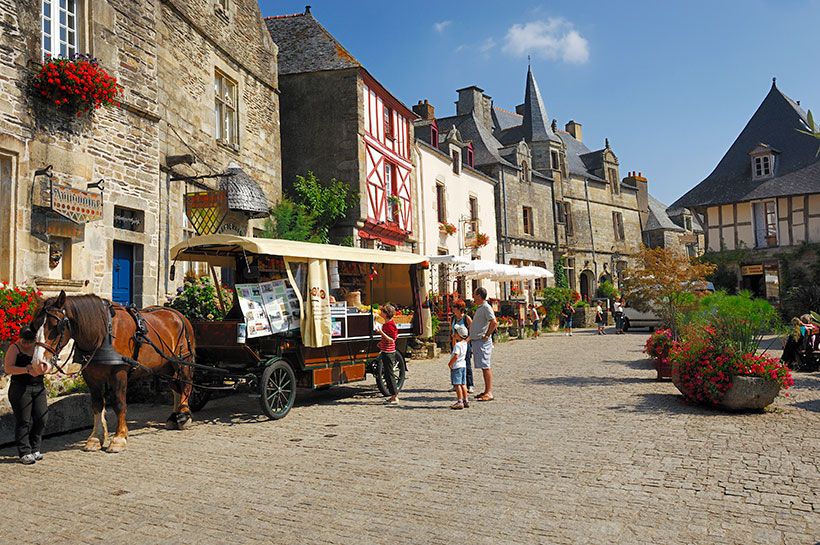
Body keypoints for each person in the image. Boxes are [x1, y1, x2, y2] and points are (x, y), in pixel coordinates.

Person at [4, 328, 50, 464]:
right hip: (20, 388)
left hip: (38, 387)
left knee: (42, 418)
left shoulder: (39, 348)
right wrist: (27, 369)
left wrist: (44, 369)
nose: (26, 344)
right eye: (23, 341)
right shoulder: (15, 348)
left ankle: (35, 448)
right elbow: (8, 368)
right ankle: (24, 452)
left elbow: (49, 363)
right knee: (24, 421)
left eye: (29, 342)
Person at [469, 287, 497, 402]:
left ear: (479, 295)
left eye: (474, 294)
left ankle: (489, 392)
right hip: (478, 341)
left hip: (482, 341)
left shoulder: (486, 307)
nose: (473, 296)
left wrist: (487, 335)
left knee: (486, 366)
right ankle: (486, 391)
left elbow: (494, 322)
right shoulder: (481, 307)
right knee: (483, 366)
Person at [376, 304, 399, 404]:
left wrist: (381, 332)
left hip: (389, 352)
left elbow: (392, 339)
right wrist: (381, 343)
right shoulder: (386, 324)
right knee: (387, 374)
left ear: (386, 314)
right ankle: (392, 396)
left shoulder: (390, 325)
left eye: (383, 312)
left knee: (389, 374)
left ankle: (395, 396)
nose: (381, 313)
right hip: (385, 350)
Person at [450, 300, 474, 393]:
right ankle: (455, 384)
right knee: (454, 363)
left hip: (464, 344)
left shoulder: (466, 318)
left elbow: (472, 332)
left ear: (460, 309)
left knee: (466, 364)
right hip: (455, 344)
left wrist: (465, 342)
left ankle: (470, 384)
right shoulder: (453, 318)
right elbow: (451, 331)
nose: (453, 309)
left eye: (454, 307)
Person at [448, 324, 470, 410]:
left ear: (459, 335)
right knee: (463, 384)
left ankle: (460, 401)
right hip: (463, 366)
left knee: (457, 385)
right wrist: (454, 338)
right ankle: (466, 400)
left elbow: (456, 356)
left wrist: (450, 363)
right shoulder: (465, 344)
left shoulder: (458, 345)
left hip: (456, 366)